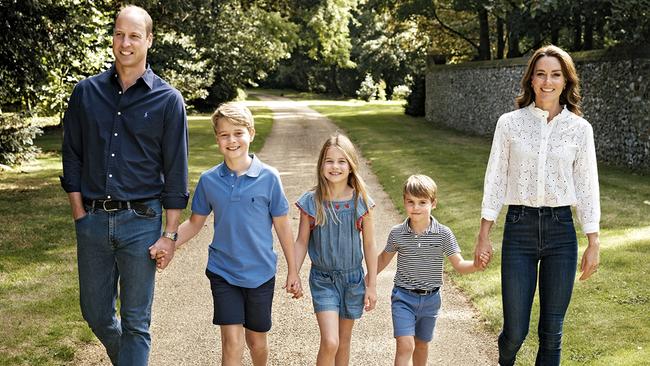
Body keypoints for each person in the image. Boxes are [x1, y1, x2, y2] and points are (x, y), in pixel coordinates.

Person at [59, 5, 188, 365]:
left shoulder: (168, 100)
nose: (125, 43)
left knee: (136, 322)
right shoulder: (86, 93)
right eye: (119, 34)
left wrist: (171, 234)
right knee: (96, 314)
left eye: (134, 35)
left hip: (142, 222)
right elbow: (72, 154)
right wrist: (79, 212)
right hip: (94, 221)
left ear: (149, 40)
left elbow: (176, 172)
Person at [473, 45, 601, 366]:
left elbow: (587, 187)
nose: (548, 81)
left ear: (566, 81)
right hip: (519, 229)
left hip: (561, 233)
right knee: (515, 331)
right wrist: (484, 233)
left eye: (555, 75)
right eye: (541, 74)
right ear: (531, 80)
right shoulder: (509, 124)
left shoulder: (580, 129)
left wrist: (593, 241)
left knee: (552, 332)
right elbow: (496, 179)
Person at [150, 102, 302, 365]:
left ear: (251, 134)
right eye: (224, 134)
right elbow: (195, 223)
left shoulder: (269, 177)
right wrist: (169, 241)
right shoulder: (209, 180)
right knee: (231, 342)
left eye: (238, 133)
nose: (232, 140)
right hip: (223, 271)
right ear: (217, 139)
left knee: (256, 343)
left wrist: (293, 270)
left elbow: (282, 226)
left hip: (260, 272)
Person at [376, 174, 487, 366]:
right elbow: (383, 259)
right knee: (405, 345)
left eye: (422, 202)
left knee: (421, 344)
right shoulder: (397, 233)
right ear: (404, 202)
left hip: (431, 300)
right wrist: (367, 279)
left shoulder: (443, 234)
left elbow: (459, 265)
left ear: (433, 203)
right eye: (410, 202)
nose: (416, 207)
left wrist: (476, 265)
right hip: (403, 298)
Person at [293, 133, 378, 366]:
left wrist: (371, 285)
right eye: (329, 161)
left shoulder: (361, 201)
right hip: (323, 279)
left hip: (353, 280)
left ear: (351, 166)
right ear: (321, 165)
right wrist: (293, 272)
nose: (335, 166)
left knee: (343, 341)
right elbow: (301, 241)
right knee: (330, 341)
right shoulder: (312, 201)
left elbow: (369, 245)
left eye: (342, 161)